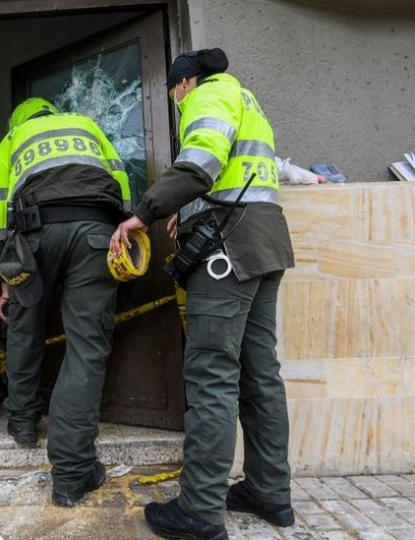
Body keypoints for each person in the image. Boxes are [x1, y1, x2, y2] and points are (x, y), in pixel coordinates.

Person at [111, 49, 295, 539]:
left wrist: (144, 212)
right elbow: (235, 176)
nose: (176, 103)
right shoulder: (246, 99)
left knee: (212, 374)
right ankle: (269, 492)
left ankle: (199, 511)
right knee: (260, 372)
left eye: (174, 94)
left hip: (227, 248)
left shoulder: (208, 95)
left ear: (184, 82)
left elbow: (200, 164)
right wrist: (187, 209)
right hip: (265, 241)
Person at [0, 97, 130, 507]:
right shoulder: (87, 125)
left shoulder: (12, 138)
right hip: (96, 235)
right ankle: (72, 473)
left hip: (34, 237)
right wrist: (127, 232)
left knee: (24, 325)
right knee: (87, 349)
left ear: (20, 119)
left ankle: (23, 422)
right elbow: (120, 179)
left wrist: (5, 277)